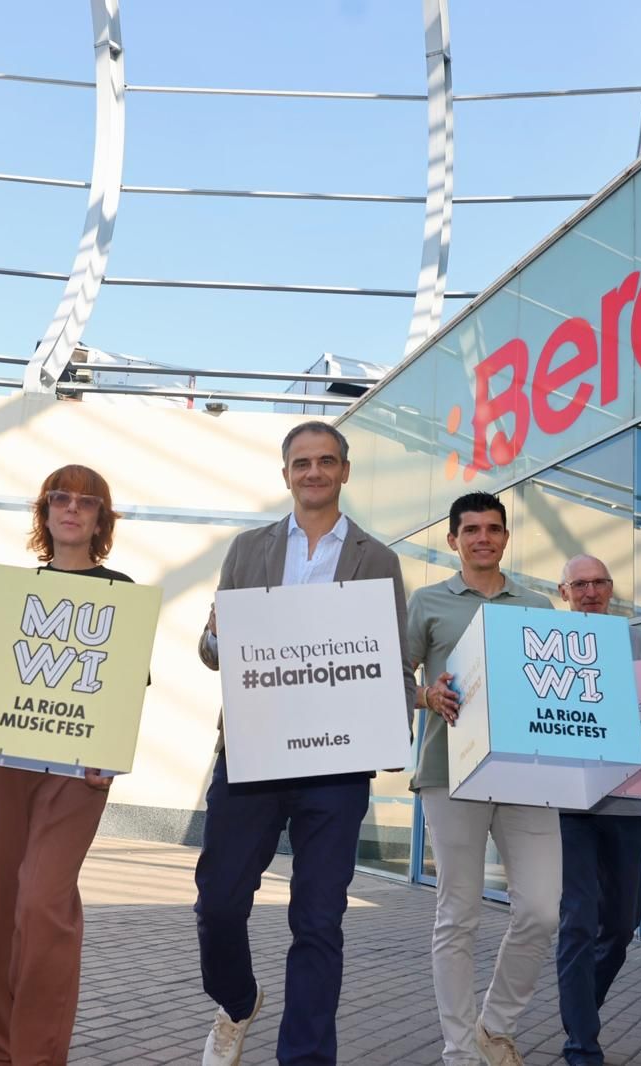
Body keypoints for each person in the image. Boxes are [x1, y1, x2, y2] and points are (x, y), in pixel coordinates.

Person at [195, 420, 414, 1066]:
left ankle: (306, 1058)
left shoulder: (378, 559)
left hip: (336, 761)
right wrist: (214, 636)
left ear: (345, 471)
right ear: (285, 473)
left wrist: (389, 727)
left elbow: (392, 662)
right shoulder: (248, 549)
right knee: (219, 903)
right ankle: (236, 1001)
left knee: (319, 921)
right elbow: (215, 654)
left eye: (325, 462)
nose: (313, 472)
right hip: (252, 750)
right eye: (301, 463)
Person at [0, 465, 142, 1066]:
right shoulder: (8, 589)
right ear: (44, 512)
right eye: (59, 499)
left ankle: (38, 1058)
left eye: (86, 501)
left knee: (42, 906)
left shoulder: (122, 592)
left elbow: (126, 690)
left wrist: (111, 752)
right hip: (1, 761)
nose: (71, 509)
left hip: (77, 769)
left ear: (101, 517)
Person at [406, 492, 556, 1066]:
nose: (483, 538)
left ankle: (495, 1026)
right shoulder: (428, 602)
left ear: (505, 538)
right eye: (471, 530)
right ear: (453, 540)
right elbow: (390, 677)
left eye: (493, 529)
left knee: (542, 909)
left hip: (528, 773)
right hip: (451, 774)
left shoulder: (538, 606)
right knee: (458, 915)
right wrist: (425, 694)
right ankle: (460, 1050)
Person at [553, 554, 641, 1066]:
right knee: (578, 919)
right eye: (580, 584)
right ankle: (581, 1046)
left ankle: (580, 1012)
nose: (590, 591)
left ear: (611, 588)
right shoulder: (545, 637)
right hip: (567, 801)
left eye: (599, 583)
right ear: (563, 591)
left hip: (627, 799)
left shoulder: (636, 641)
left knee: (620, 923)